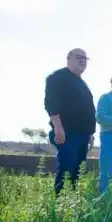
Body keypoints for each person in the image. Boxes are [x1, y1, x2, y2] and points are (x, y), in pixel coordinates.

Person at [44, 48, 96, 195]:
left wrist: (90, 134)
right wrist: (58, 127)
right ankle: (60, 203)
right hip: (67, 133)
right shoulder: (57, 77)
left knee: (76, 173)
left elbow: (86, 110)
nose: (82, 61)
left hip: (82, 135)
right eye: (78, 57)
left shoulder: (82, 83)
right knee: (67, 169)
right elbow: (51, 104)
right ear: (68, 59)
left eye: (85, 58)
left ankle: (71, 201)